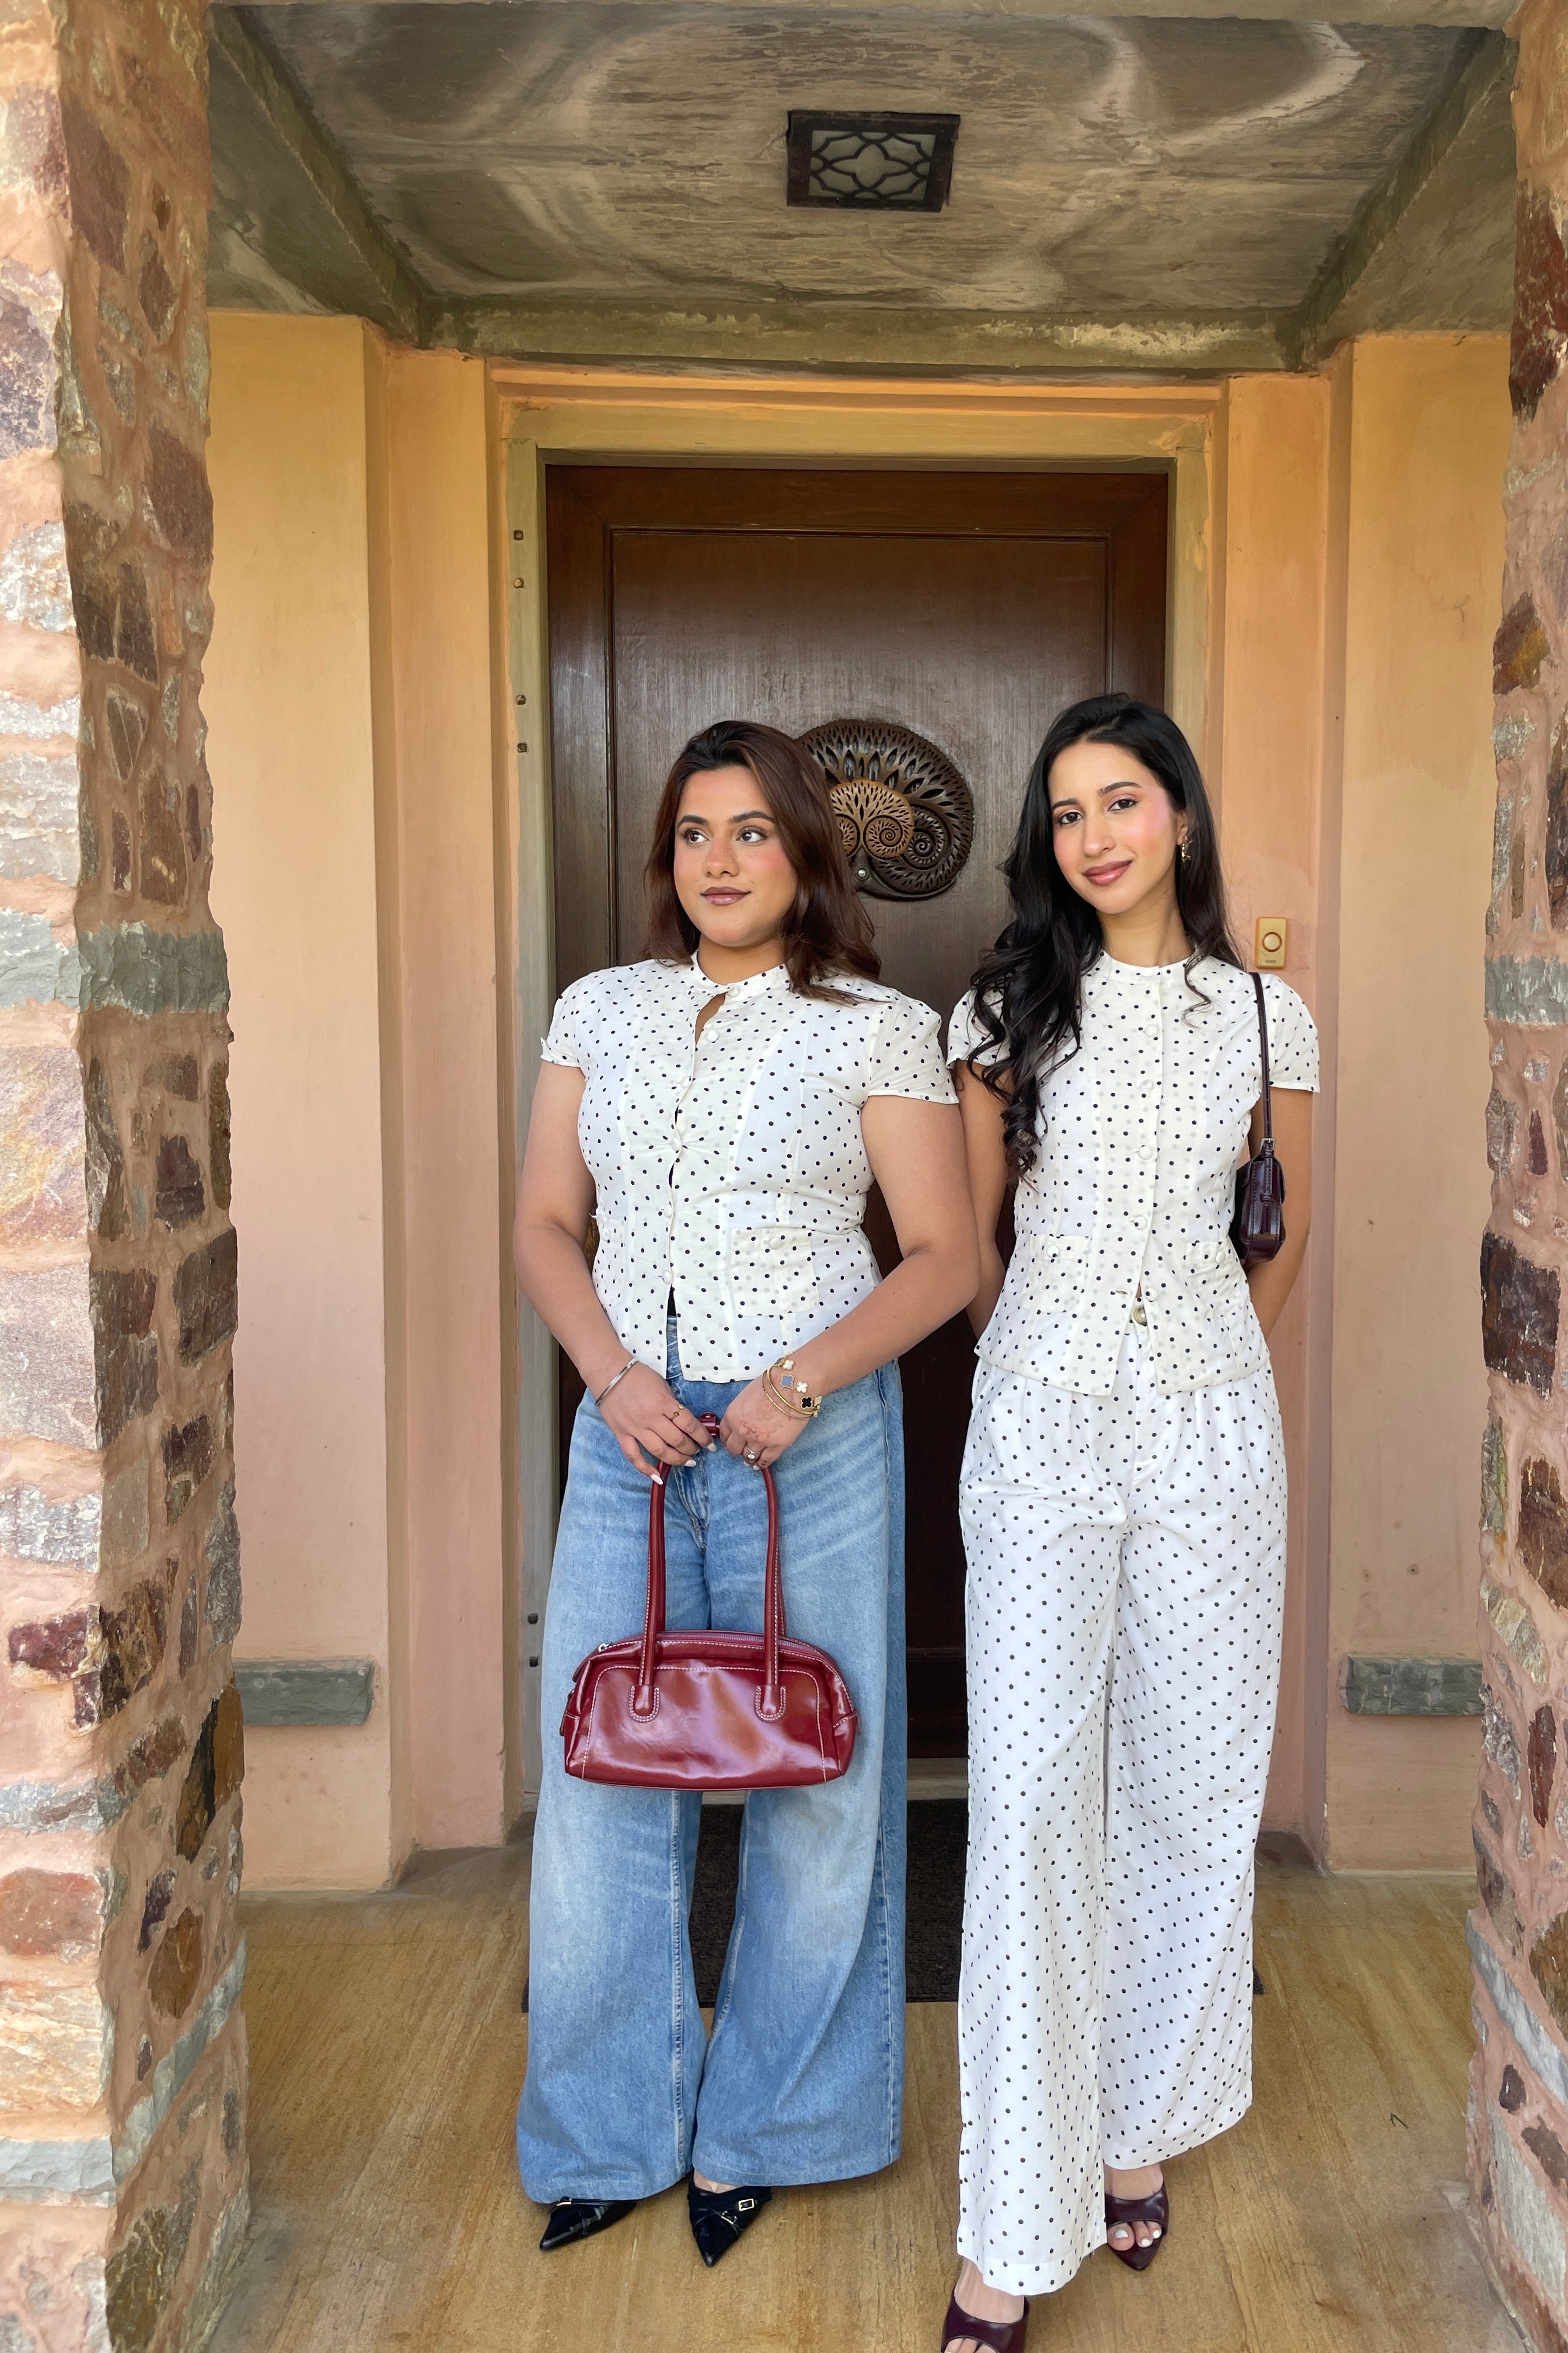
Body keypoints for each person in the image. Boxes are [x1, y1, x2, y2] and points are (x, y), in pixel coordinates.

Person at [514, 719, 977, 2267]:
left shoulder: (877, 1028)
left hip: (810, 1441)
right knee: (601, 1781)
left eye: (753, 832)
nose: (721, 860)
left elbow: (945, 1258)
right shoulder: (600, 1010)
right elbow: (543, 1223)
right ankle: (607, 2132)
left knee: (821, 1786)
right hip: (630, 1432)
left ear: (805, 854)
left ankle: (774, 2125)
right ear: (669, 858)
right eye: (696, 833)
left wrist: (799, 1383)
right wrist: (611, 1378)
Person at [941, 694, 1317, 2352]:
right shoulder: (1003, 1007)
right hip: (1041, 1421)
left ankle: (1134, 2123)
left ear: (1181, 815)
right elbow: (972, 1245)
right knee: (1029, 1798)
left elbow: (1277, 1236)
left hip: (1213, 1433)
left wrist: (1207, 1373)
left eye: (1122, 801)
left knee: (1192, 1786)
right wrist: (1036, 1364)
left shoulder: (1266, 1017)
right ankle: (1009, 2223)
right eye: (1068, 811)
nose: (1094, 835)